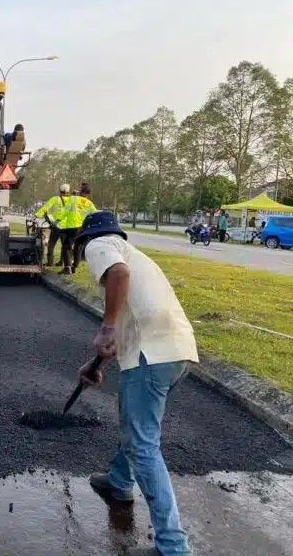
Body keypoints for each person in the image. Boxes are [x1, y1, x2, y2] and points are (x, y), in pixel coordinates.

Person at [74, 211, 196, 556]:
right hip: (177, 352)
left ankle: (173, 546)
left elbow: (118, 274)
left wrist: (106, 328)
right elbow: (133, 321)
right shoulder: (135, 255)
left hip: (151, 356)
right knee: (135, 422)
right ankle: (119, 481)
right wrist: (97, 364)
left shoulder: (99, 245)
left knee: (142, 444)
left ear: (86, 239)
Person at [60, 182, 97, 275]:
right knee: (79, 247)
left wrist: (58, 220)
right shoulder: (90, 204)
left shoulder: (73, 199)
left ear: (81, 191)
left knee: (66, 247)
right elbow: (95, 216)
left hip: (73, 227)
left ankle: (67, 268)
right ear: (88, 194)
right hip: (84, 229)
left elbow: (65, 211)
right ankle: (74, 267)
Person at [33, 184, 70, 266]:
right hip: (67, 226)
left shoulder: (55, 199)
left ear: (60, 190)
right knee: (64, 245)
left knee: (51, 244)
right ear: (68, 191)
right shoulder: (71, 200)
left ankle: (50, 262)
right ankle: (62, 262)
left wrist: (36, 215)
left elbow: (45, 208)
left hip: (56, 225)